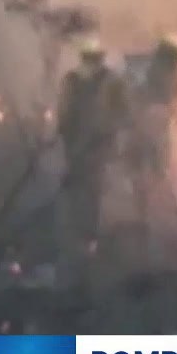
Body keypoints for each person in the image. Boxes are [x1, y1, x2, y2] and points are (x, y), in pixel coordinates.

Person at [55, 36, 129, 281]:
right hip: (82, 144)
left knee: (89, 190)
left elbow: (122, 112)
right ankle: (80, 240)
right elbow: (64, 113)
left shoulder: (106, 81)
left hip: (95, 144)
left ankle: (85, 240)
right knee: (83, 190)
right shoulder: (75, 80)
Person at [124, 35, 177, 224]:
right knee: (155, 165)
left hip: (144, 118)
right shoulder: (171, 73)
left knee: (138, 163)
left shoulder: (148, 67)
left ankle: (142, 208)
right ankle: (148, 208)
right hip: (158, 119)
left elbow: (135, 89)